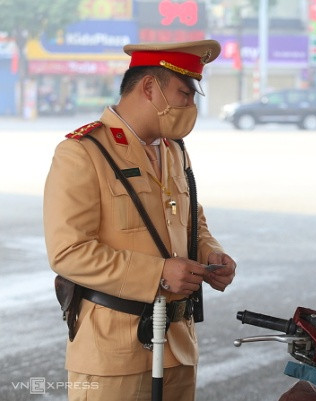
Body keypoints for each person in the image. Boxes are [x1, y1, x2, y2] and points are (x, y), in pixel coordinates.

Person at [43, 39, 236, 401]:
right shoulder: (84, 152)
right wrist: (159, 273)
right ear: (150, 88)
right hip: (113, 355)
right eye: (184, 93)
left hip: (178, 346)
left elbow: (192, 217)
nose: (191, 106)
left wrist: (210, 252)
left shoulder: (174, 149)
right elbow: (68, 252)